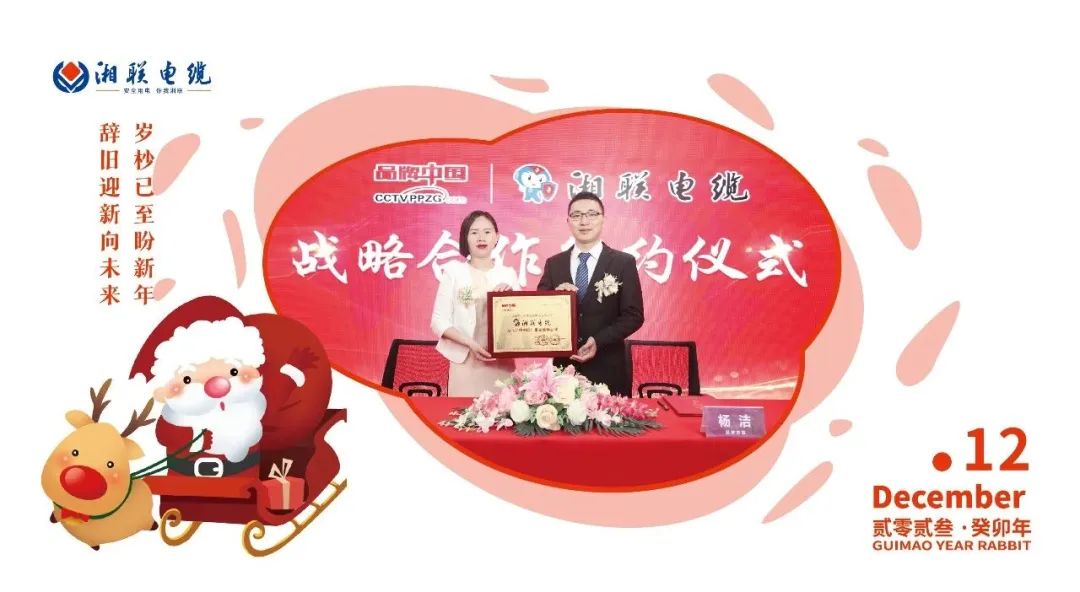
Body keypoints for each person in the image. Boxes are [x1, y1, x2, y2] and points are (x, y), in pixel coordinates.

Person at [537, 192, 644, 397]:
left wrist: (599, 340)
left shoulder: (623, 262)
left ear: (603, 219)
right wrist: (555, 298)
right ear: (568, 221)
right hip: (564, 371)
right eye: (576, 215)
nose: (584, 221)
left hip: (608, 368)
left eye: (592, 214)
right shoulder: (554, 263)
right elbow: (539, 310)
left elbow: (634, 315)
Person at [431, 210, 519, 396]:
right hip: (465, 361)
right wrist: (470, 344)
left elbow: (520, 323)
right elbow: (439, 322)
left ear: (497, 237)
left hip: (501, 363)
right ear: (465, 238)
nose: (481, 238)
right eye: (474, 232)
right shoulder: (454, 272)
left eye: (487, 232)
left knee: (504, 410)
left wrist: (512, 298)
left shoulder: (508, 274)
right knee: (463, 412)